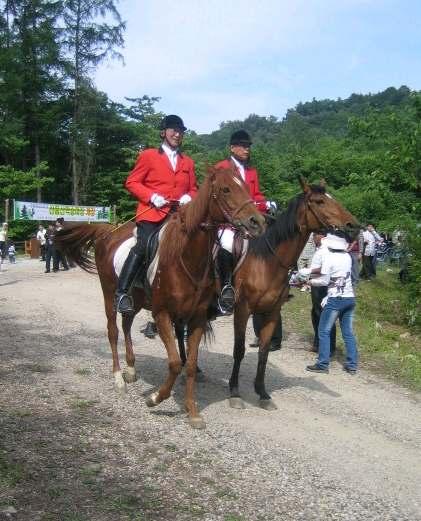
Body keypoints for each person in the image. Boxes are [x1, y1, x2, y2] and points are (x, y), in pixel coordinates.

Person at [114, 114, 198, 314]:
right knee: (144, 245)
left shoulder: (188, 162)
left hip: (178, 216)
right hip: (152, 213)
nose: (177, 134)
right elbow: (132, 182)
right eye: (173, 130)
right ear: (164, 132)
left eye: (180, 132)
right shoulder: (148, 155)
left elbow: (194, 188)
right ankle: (122, 292)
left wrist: (189, 196)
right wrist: (151, 196)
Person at [214, 130, 276, 314]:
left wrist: (265, 203)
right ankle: (226, 287)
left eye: (248, 146)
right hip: (228, 222)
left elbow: (255, 196)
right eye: (242, 146)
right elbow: (218, 197)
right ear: (232, 148)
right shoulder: (221, 167)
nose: (246, 149)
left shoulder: (251, 171)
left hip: (248, 219)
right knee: (226, 243)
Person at [305, 232, 358, 374]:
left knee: (323, 331)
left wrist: (308, 281)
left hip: (335, 299)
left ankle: (322, 364)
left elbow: (324, 280)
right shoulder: (347, 256)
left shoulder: (329, 257)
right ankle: (352, 364)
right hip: (349, 297)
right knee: (348, 333)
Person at [308, 230, 336, 355]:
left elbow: (324, 270)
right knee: (315, 313)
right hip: (316, 284)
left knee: (324, 314)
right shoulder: (319, 249)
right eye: (313, 235)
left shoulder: (326, 250)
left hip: (323, 286)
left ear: (322, 236)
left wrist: (307, 275)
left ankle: (329, 346)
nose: (313, 237)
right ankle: (318, 342)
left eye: (315, 235)